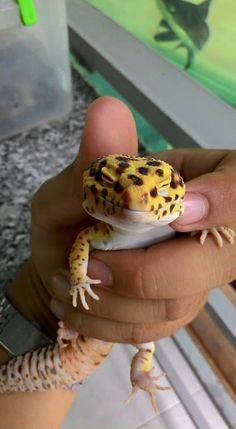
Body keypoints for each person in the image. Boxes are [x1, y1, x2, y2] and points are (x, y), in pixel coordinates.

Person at [0, 96, 235, 429]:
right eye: (112, 185)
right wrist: (71, 283)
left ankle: (140, 376)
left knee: (144, 343)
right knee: (145, 342)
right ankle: (140, 373)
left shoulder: (183, 212)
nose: (132, 199)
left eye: (156, 191)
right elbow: (81, 240)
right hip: (68, 324)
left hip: (64, 333)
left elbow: (197, 213)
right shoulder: (101, 228)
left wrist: (216, 221)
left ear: (177, 192)